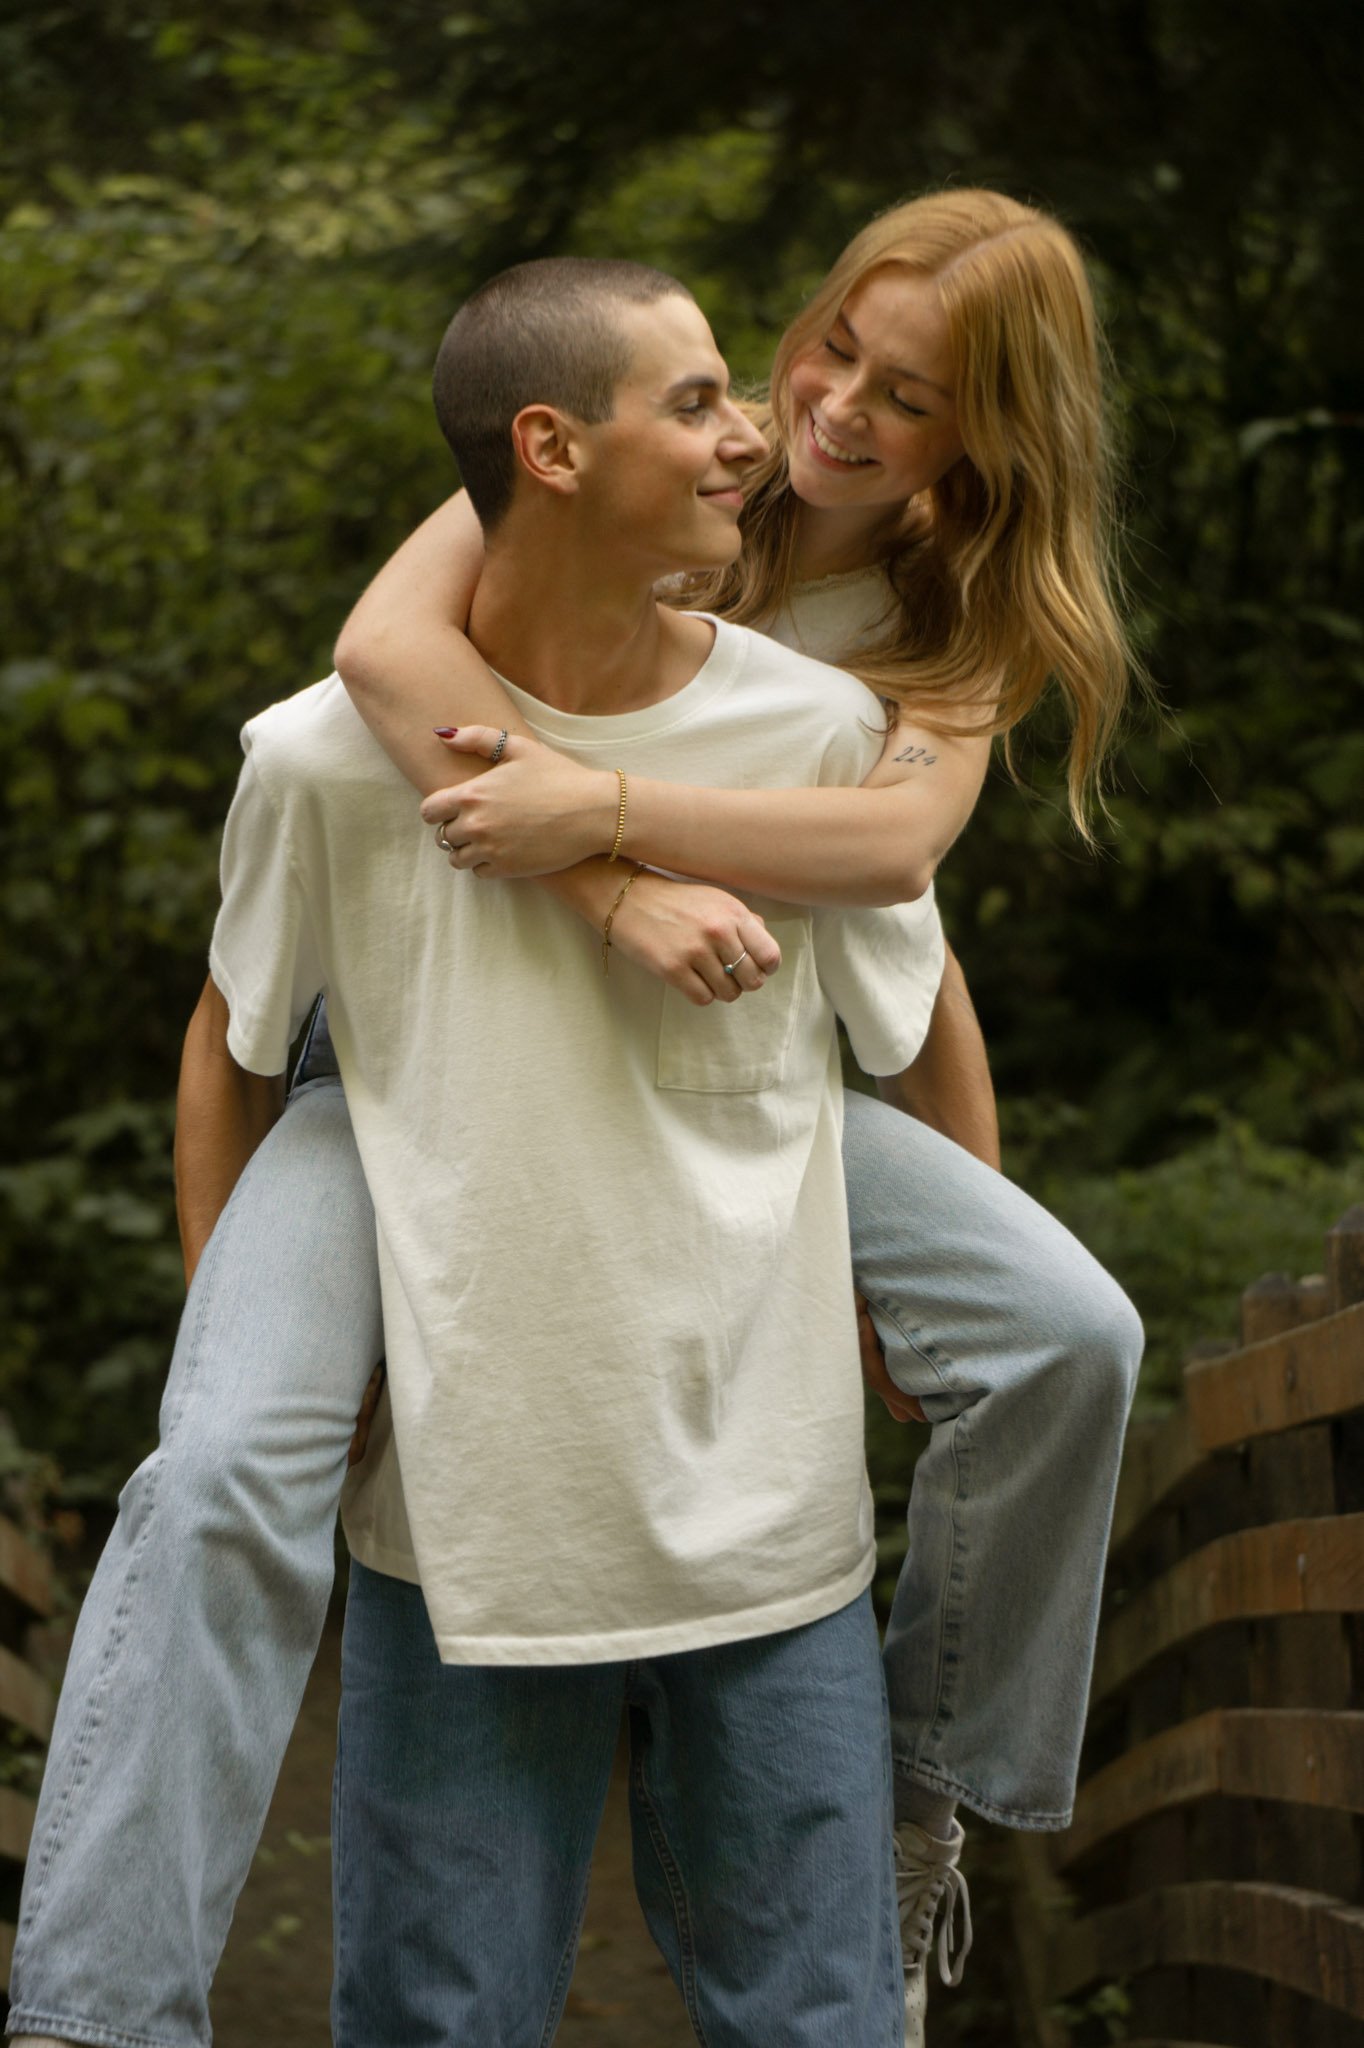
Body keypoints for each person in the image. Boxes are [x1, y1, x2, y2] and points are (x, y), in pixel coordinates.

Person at [6, 194, 1143, 2048]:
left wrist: (890, 1276)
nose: (828, 413)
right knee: (217, 1470)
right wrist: (612, 874)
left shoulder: (945, 617)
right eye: (829, 349)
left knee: (1070, 1332)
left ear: (990, 440)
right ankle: (95, 2012)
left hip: (736, 1074)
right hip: (410, 1065)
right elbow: (394, 661)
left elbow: (901, 900)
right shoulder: (648, 437)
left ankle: (928, 1798)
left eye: (910, 398)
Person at [210, 258, 939, 2042]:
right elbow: (232, 1064)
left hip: (773, 1527)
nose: (755, 432)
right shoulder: (322, 760)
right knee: (436, 2021)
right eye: (695, 402)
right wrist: (283, 1370)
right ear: (548, 445)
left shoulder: (821, 736)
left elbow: (915, 1051)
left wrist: (894, 1322)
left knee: (823, 2020)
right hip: (465, 1532)